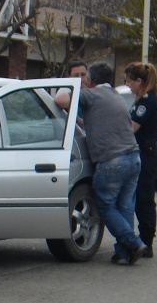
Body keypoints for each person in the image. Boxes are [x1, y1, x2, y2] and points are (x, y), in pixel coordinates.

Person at [56, 61, 146, 265]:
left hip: (112, 160)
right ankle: (124, 253)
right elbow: (97, 122)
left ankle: (133, 242)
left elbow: (61, 100)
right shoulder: (116, 96)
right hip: (134, 157)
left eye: (84, 77)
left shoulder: (91, 94)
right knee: (125, 206)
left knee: (105, 206)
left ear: (89, 80)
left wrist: (70, 87)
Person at [124, 62, 157, 258]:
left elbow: (131, 128)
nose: (128, 85)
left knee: (144, 199)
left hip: (146, 155)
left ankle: (147, 241)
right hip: (144, 153)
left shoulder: (146, 102)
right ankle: (144, 238)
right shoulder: (145, 99)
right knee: (140, 198)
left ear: (139, 81)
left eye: (129, 81)